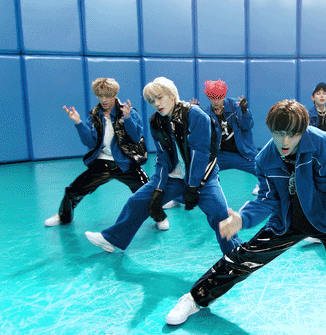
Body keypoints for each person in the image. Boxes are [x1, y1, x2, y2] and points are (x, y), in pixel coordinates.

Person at [164, 99, 326, 325]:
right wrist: (243, 219)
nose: (285, 141)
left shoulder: (319, 141)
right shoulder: (264, 159)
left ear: (302, 130)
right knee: (244, 258)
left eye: (292, 134)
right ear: (271, 130)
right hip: (288, 220)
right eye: (279, 133)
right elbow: (267, 198)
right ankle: (194, 298)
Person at [84, 77, 241, 254]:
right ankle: (111, 239)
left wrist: (193, 186)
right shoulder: (156, 121)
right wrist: (158, 189)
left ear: (172, 95)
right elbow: (163, 157)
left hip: (203, 178)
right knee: (136, 202)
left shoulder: (195, 115)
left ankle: (235, 254)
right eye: (152, 101)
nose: (156, 104)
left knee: (220, 214)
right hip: (174, 178)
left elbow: (202, 154)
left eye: (159, 97)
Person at [44, 78, 152, 227]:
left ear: (114, 95)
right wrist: (78, 122)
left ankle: (159, 217)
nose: (104, 100)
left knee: (148, 190)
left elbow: (135, 137)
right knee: (72, 191)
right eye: (100, 96)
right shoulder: (95, 115)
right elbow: (90, 143)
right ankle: (64, 217)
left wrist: (127, 118)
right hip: (102, 163)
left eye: (107, 96)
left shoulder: (128, 112)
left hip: (125, 163)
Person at [163, 79, 259, 209]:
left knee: (263, 166)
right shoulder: (206, 113)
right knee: (195, 170)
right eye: (213, 97)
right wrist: (193, 115)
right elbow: (200, 133)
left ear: (223, 95)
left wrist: (245, 112)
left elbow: (247, 126)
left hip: (242, 152)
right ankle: (178, 198)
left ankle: (263, 186)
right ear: (209, 97)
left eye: (219, 97)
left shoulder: (235, 107)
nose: (216, 101)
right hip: (220, 155)